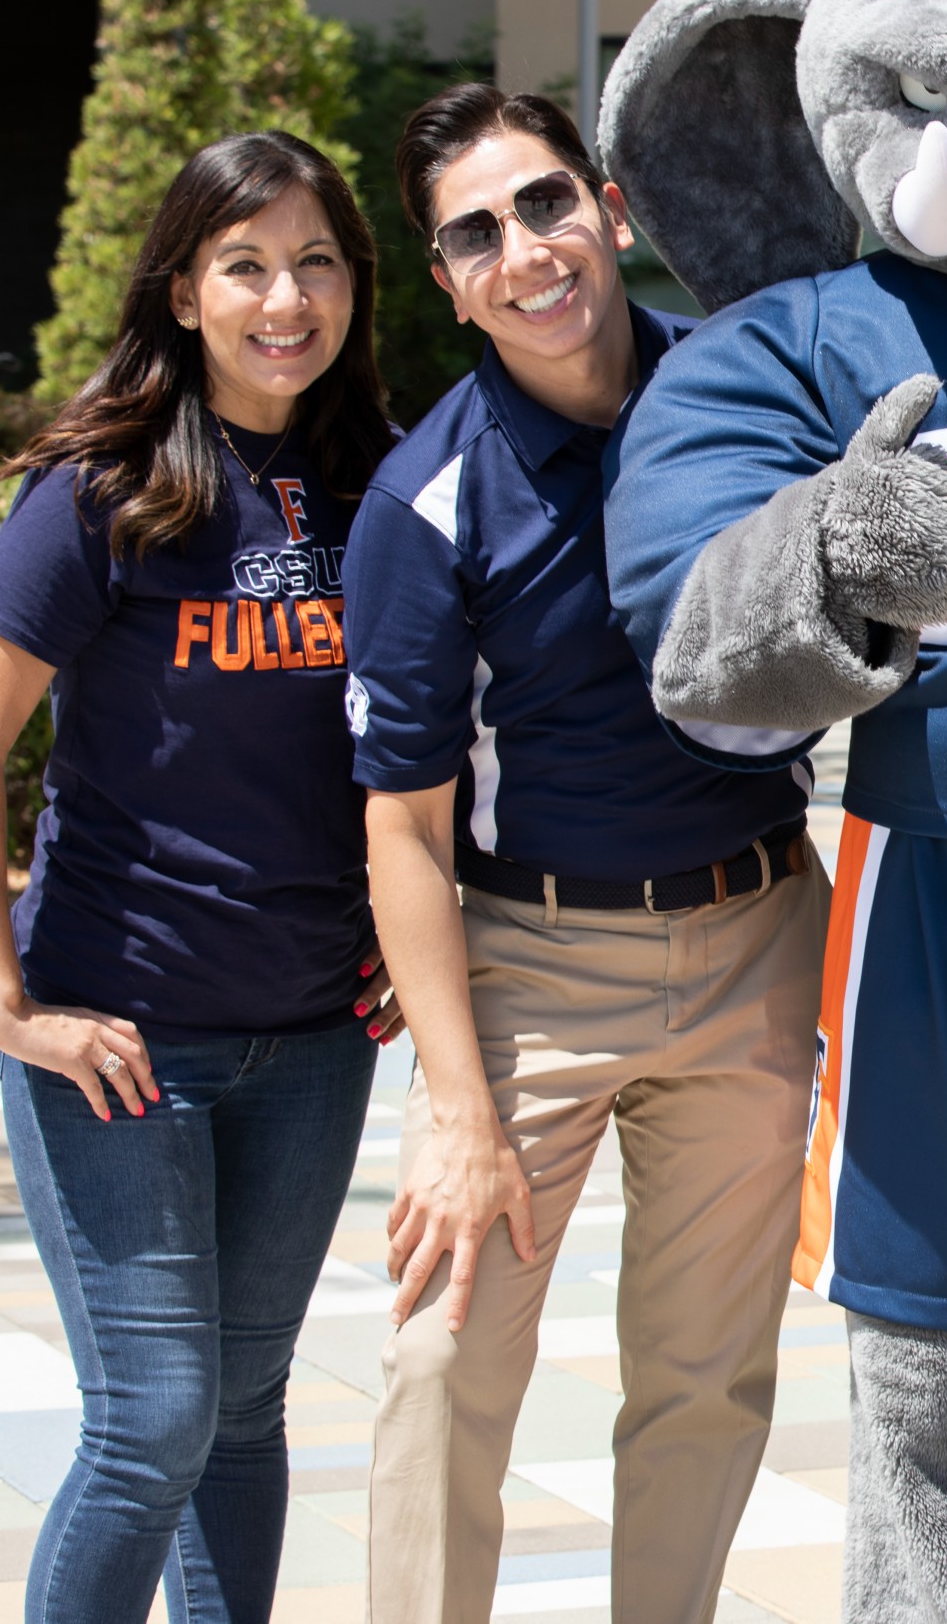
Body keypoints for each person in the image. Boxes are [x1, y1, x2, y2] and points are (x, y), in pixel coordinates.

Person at [341, 85, 824, 1624]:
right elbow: (404, 826)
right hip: (527, 969)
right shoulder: (425, 502)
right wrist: (461, 1105)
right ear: (446, 280)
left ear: (609, 209)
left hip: (756, 934)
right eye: (474, 234)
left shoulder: (746, 396)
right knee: (438, 1365)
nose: (524, 251)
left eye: (543, 203)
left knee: (704, 1378)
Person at [0, 132, 396, 1623]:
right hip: (121, 1035)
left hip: (314, 1037)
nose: (284, 299)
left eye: (315, 261)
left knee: (246, 1411)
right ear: (184, 289)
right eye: (245, 265)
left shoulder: (374, 477)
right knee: (153, 1419)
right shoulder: (100, 489)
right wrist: (8, 1006)